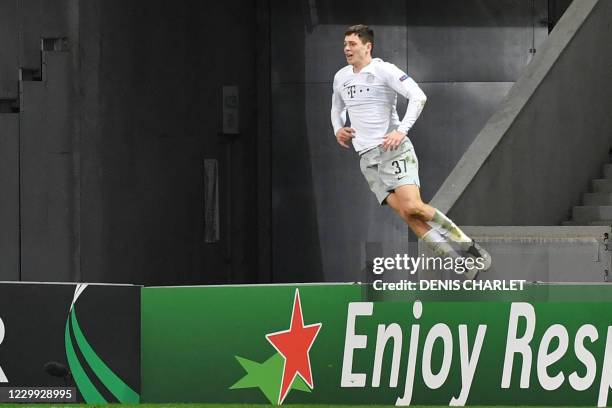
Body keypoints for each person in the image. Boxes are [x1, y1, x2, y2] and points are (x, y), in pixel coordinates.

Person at [330, 24, 491, 279]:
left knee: (414, 206)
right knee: (407, 214)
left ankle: (468, 247)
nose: (346, 49)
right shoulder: (341, 77)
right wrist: (338, 128)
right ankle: (460, 265)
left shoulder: (384, 70)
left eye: (352, 44)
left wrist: (401, 131)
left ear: (367, 46)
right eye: (345, 44)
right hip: (366, 158)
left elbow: (418, 96)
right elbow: (337, 107)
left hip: (392, 151)